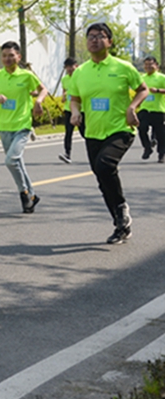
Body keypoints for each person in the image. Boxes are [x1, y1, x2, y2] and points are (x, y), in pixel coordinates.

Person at [68, 23, 147, 244]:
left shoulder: (124, 67)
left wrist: (132, 108)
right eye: (90, 36)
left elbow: (143, 89)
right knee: (102, 178)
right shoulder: (80, 72)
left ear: (109, 42)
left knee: (104, 166)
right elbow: (75, 99)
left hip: (120, 128)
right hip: (93, 132)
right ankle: (122, 225)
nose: (94, 40)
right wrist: (75, 112)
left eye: (100, 36)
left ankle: (121, 209)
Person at [0, 41, 47, 214]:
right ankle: (31, 196)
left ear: (19, 57)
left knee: (11, 160)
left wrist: (38, 102)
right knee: (17, 163)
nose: (7, 59)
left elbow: (43, 89)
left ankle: (23, 193)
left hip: (22, 125)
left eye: (11, 55)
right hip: (4, 126)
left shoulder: (26, 75)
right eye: (4, 56)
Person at [137, 56, 165, 163]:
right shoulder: (141, 78)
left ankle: (162, 154)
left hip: (158, 110)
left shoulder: (161, 78)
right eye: (146, 65)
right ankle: (147, 147)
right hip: (144, 109)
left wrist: (158, 90)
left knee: (160, 134)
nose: (148, 67)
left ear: (156, 66)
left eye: (151, 64)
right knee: (141, 128)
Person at [58, 57, 85, 164]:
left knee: (84, 132)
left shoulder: (81, 77)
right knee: (68, 132)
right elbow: (64, 91)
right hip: (69, 109)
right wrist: (64, 96)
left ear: (76, 66)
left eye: (71, 66)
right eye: (67, 67)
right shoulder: (65, 79)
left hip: (81, 109)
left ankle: (95, 150)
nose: (69, 69)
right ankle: (67, 154)